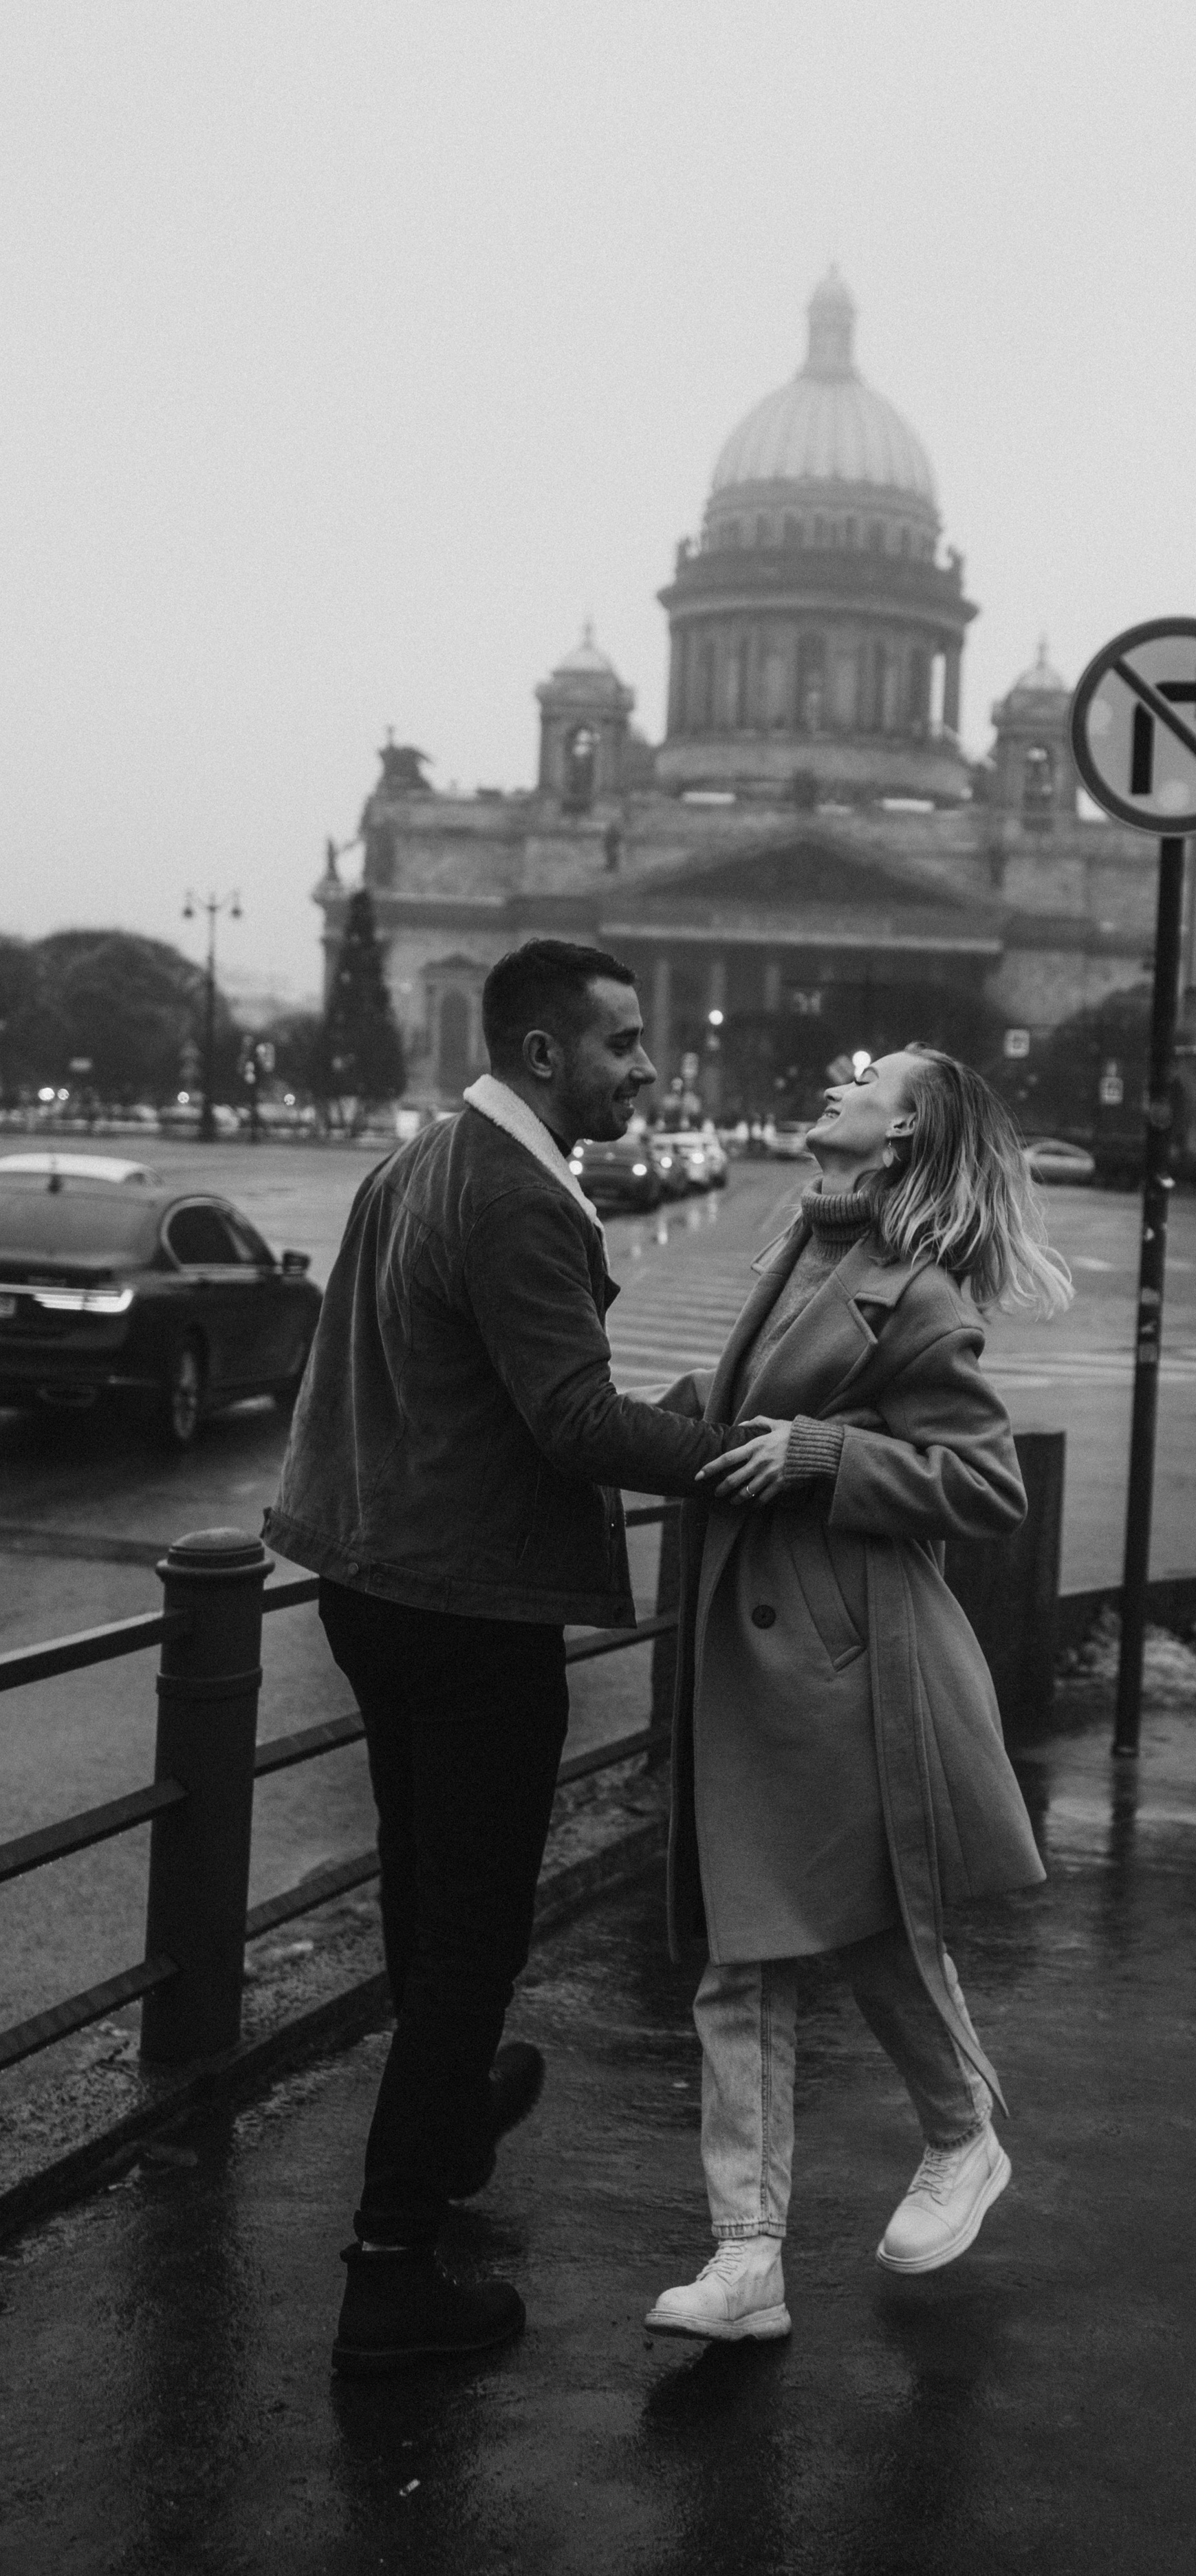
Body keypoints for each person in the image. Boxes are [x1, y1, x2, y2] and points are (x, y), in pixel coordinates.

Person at [265, 939, 750, 2378]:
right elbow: (572, 1426)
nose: (645, 1069)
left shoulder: (424, 1160)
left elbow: (458, 1385)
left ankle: (456, 2113)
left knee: (427, 1904)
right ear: (545, 1054)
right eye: (621, 1044)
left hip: (373, 1579)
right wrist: (749, 1459)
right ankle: (389, 2267)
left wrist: (651, 1413)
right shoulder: (518, 1196)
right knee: (473, 1937)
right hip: (469, 1609)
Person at [644, 1044, 1073, 2344]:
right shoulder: (807, 1252)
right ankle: (746, 2257)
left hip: (845, 1661)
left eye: (868, 1081)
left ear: (899, 1139)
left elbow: (988, 1486)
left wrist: (830, 1455)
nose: (837, 1084)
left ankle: (961, 2138)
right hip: (760, 1652)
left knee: (875, 1931)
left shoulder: (920, 1296)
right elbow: (740, 1420)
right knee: (741, 1960)